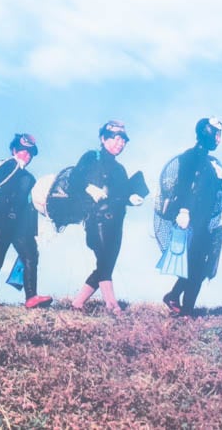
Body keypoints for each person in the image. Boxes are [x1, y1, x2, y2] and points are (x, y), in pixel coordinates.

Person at [68, 120, 143, 313]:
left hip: (117, 222)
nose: (120, 143)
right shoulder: (91, 157)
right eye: (115, 138)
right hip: (96, 219)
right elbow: (73, 180)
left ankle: (77, 303)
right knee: (105, 261)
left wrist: (132, 197)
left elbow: (123, 194)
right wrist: (88, 188)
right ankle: (112, 304)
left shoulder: (120, 169)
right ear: (103, 138)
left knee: (106, 264)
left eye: (123, 140)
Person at [159, 117, 222, 318]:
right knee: (196, 265)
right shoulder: (190, 156)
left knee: (199, 264)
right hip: (190, 218)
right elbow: (183, 185)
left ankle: (175, 297)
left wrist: (217, 177)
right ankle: (186, 309)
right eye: (216, 135)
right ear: (207, 134)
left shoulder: (210, 162)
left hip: (203, 220)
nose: (219, 140)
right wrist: (184, 210)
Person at [0, 134, 52, 308]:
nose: (26, 155)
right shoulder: (4, 166)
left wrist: (34, 230)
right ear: (14, 150)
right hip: (0, 220)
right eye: (23, 151)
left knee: (31, 255)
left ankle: (31, 297)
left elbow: (30, 205)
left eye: (30, 153)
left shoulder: (29, 177)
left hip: (21, 225)